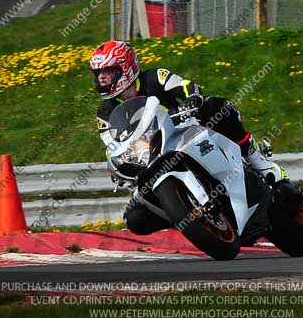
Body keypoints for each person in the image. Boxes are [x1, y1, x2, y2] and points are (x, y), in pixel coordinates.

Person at [89, 40, 286, 235]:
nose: (102, 78)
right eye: (98, 73)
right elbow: (113, 146)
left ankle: (257, 159)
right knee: (135, 219)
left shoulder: (154, 77)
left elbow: (185, 86)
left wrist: (191, 98)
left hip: (184, 129)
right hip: (149, 155)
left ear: (126, 68)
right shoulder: (104, 114)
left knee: (216, 107)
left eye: (108, 71)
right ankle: (185, 216)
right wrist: (118, 166)